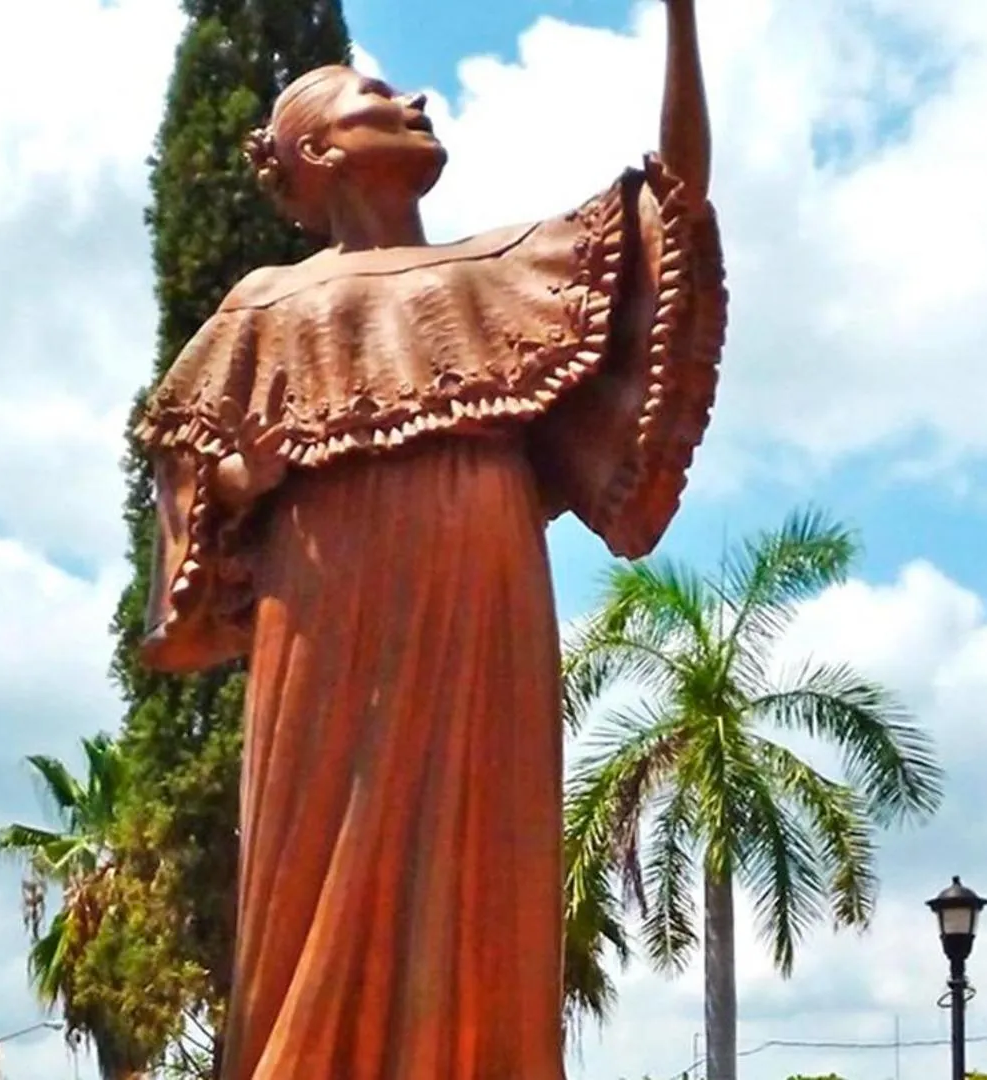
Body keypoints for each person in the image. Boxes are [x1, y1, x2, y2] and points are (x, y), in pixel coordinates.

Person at [132, 1, 722, 1075]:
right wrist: (243, 477)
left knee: (484, 841)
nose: (413, 97)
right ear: (315, 152)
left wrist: (680, 23)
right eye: (375, 96)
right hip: (328, 602)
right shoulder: (262, 308)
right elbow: (186, 517)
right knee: (321, 850)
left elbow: (673, 201)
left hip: (483, 589)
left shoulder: (511, 271)